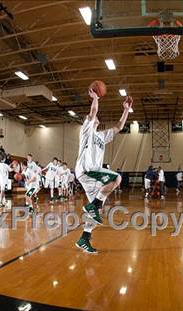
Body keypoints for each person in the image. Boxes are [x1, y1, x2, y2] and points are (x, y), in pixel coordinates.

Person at [74, 88, 132, 254]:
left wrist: (126, 110)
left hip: (92, 176)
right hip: (87, 169)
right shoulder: (86, 130)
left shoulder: (101, 136)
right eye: (92, 118)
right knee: (117, 178)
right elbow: (93, 111)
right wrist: (95, 97)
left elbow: (119, 126)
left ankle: (84, 238)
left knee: (97, 210)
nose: (95, 118)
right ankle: (93, 205)